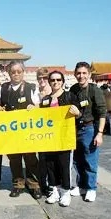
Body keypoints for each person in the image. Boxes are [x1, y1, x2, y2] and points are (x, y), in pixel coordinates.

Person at [0, 61, 42, 199]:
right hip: (11, 131)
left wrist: (34, 107)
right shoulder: (3, 87)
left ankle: (34, 185)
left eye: (18, 72)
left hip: (27, 130)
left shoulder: (31, 87)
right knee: (14, 159)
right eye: (13, 72)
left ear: (23, 73)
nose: (16, 74)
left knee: (31, 158)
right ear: (9, 73)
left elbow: (38, 104)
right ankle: (18, 184)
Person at [40, 71, 80, 207]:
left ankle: (65, 192)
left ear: (62, 81)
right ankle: (54, 190)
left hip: (64, 137)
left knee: (64, 165)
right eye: (52, 80)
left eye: (58, 79)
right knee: (50, 165)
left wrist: (77, 113)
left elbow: (79, 114)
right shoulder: (45, 99)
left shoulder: (70, 96)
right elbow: (40, 117)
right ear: (49, 82)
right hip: (50, 137)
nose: (55, 82)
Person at [69, 62, 106, 202]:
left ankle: (91, 188)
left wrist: (100, 133)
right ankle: (80, 185)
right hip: (75, 129)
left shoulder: (94, 90)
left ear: (89, 75)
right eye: (79, 73)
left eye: (84, 73)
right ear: (75, 74)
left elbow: (102, 113)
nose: (81, 76)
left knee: (90, 159)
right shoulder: (73, 89)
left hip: (90, 128)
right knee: (77, 160)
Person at [35, 68, 53, 195]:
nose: (42, 80)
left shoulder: (53, 92)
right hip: (39, 130)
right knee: (41, 159)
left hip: (51, 130)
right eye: (39, 78)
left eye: (45, 78)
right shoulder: (36, 92)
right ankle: (43, 184)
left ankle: (52, 184)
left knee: (51, 160)